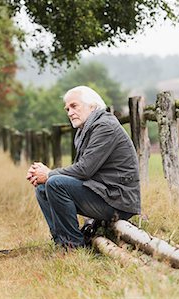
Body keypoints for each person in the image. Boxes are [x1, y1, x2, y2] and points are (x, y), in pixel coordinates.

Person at [26, 86, 140, 249]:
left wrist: (49, 173)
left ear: (92, 106)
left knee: (55, 183)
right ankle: (61, 241)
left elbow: (84, 170)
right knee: (43, 188)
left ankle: (72, 245)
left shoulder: (105, 126)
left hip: (118, 201)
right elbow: (80, 171)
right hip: (103, 193)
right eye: (67, 109)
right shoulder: (84, 130)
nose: (69, 112)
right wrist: (43, 176)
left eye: (74, 106)